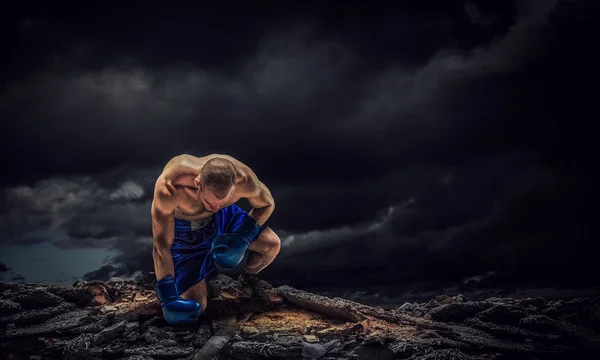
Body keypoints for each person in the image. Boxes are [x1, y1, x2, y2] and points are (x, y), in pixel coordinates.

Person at [151, 154, 280, 325]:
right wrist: (167, 297)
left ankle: (247, 281)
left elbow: (267, 204)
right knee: (197, 307)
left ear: (234, 187)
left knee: (271, 245)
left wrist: (243, 238)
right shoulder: (171, 187)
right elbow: (161, 244)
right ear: (198, 184)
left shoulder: (244, 179)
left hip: (224, 218)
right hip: (185, 233)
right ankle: (201, 281)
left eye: (223, 202)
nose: (215, 207)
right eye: (209, 203)